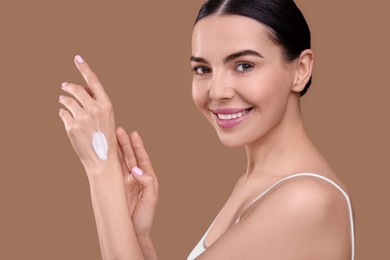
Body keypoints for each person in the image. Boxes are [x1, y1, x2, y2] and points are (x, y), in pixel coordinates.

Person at [59, 0, 355, 259]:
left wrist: (101, 168)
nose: (217, 92)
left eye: (244, 66)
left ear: (301, 70)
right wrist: (138, 239)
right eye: (203, 69)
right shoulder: (257, 183)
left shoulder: (305, 201)